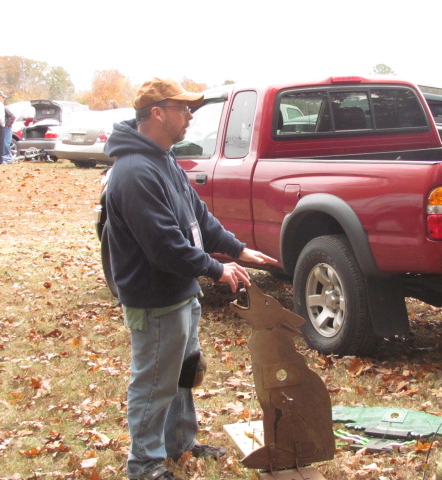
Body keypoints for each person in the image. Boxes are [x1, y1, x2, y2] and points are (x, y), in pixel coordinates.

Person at [104, 77, 277, 480]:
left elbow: (197, 215)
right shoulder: (133, 172)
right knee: (154, 383)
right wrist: (216, 269)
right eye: (183, 109)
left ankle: (179, 443)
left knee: (184, 373)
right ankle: (144, 465)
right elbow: (164, 246)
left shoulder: (162, 158)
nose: (190, 116)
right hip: (154, 296)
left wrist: (237, 249)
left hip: (181, 291)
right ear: (157, 113)